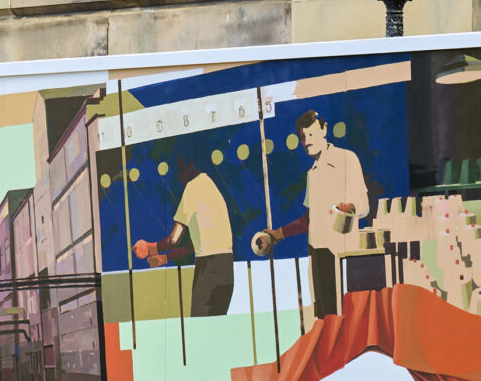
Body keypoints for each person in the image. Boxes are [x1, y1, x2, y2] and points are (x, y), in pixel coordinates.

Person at [253, 111, 369, 319]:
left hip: (342, 256)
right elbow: (309, 219)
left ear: (324, 130)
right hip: (318, 255)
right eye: (303, 137)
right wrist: (277, 234)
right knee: (325, 319)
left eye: (312, 135)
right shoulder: (312, 173)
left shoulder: (347, 159)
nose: (307, 142)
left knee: (347, 320)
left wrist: (350, 208)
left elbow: (363, 204)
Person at [134, 157, 234, 318]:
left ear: (191, 165)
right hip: (227, 271)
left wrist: (149, 248)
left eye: (180, 170)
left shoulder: (192, 189)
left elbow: (174, 239)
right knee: (216, 329)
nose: (178, 177)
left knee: (199, 328)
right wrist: (164, 259)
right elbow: (191, 247)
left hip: (208, 269)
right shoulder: (211, 188)